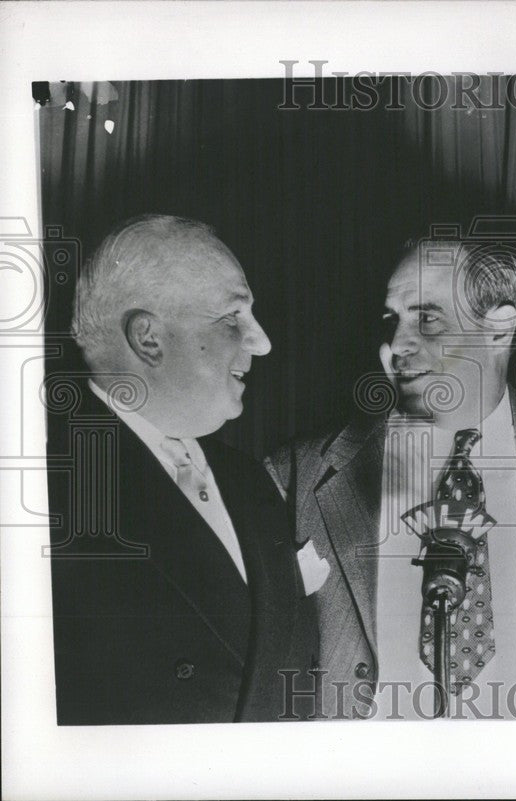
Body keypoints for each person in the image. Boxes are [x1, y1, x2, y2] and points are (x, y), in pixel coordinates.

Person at [266, 239, 516, 719]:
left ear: (499, 328)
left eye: (427, 319)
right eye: (392, 321)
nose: (397, 345)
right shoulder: (300, 474)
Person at [47, 214, 317, 725]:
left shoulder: (251, 482)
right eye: (233, 318)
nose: (261, 342)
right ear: (148, 338)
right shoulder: (50, 494)